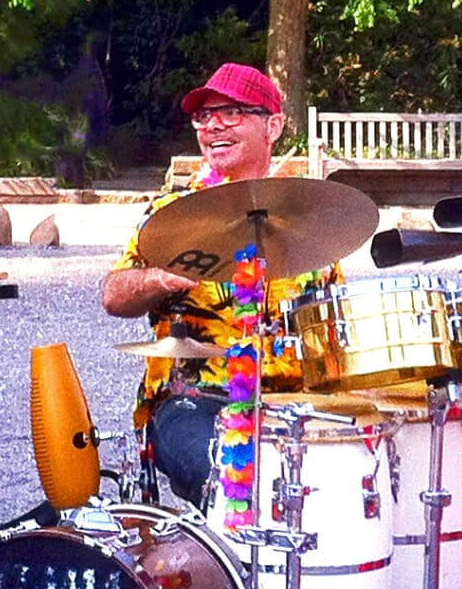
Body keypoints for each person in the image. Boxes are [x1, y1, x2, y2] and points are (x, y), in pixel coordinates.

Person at [102, 62, 337, 505]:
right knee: (230, 474)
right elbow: (114, 296)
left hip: (293, 403)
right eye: (203, 116)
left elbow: (333, 332)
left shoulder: (309, 220)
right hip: (195, 401)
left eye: (231, 113)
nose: (212, 126)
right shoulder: (173, 215)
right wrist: (157, 278)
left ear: (273, 126)